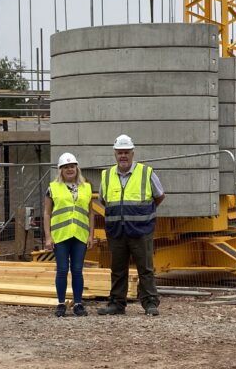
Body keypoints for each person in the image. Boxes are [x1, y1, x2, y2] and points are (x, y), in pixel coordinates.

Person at [97, 134, 165, 317]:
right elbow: (104, 200)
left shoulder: (146, 172)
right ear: (115, 154)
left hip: (141, 231)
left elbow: (159, 196)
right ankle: (117, 304)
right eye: (120, 152)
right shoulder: (107, 175)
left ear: (133, 153)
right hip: (117, 231)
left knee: (146, 269)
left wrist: (141, 215)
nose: (123, 156)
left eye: (126, 152)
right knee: (118, 270)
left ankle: (150, 303)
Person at [43, 152, 95, 317]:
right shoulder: (53, 188)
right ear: (60, 170)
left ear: (77, 168)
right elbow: (46, 213)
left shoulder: (86, 187)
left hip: (80, 235)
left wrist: (91, 235)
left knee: (78, 270)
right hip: (61, 235)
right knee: (62, 269)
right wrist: (48, 237)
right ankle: (61, 303)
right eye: (65, 167)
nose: (69, 169)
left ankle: (78, 304)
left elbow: (91, 213)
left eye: (72, 166)